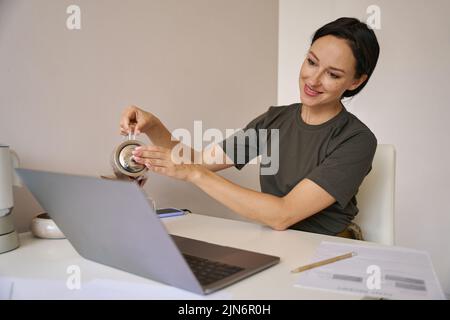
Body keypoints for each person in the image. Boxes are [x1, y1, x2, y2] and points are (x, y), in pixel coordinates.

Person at [119, 17, 380, 238]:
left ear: (356, 81)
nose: (313, 79)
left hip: (329, 249)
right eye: (311, 62)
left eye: (332, 74)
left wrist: (192, 174)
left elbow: (283, 214)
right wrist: (153, 125)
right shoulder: (275, 120)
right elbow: (197, 160)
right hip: (279, 242)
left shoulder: (356, 140)